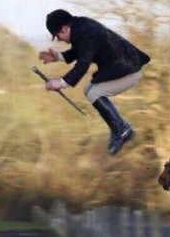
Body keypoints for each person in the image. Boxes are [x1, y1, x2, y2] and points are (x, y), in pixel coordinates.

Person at [39, 9, 150, 155]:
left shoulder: (86, 33)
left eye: (58, 35)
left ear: (65, 28)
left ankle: (122, 129)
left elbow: (83, 64)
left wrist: (60, 82)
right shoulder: (82, 26)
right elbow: (80, 51)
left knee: (93, 92)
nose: (59, 39)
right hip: (125, 67)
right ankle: (119, 128)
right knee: (89, 90)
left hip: (128, 70)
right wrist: (58, 56)